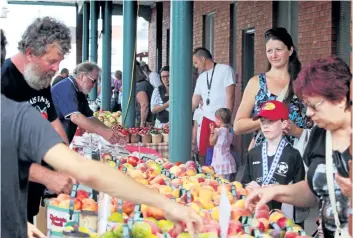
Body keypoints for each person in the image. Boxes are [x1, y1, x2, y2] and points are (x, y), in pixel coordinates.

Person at [1, 94, 202, 238]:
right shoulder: (15, 115)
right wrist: (165, 204)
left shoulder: (16, 115)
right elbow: (87, 171)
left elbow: (86, 170)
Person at [245, 56, 352, 238]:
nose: (309, 113)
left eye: (314, 105)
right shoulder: (319, 135)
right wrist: (275, 191)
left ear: (340, 99)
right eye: (306, 106)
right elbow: (313, 191)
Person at [1, 16, 74, 223]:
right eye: (51, 61)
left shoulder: (39, 78)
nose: (56, 68)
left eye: (59, 62)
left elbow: (53, 124)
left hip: (29, 194)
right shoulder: (4, 82)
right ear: (31, 53)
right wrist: (47, 176)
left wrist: (69, 164)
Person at [234, 27, 312, 149]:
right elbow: (238, 126)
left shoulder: (303, 82)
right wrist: (266, 120)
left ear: (290, 50)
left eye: (278, 50)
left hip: (297, 156)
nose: (273, 55)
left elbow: (318, 126)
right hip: (264, 157)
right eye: (269, 51)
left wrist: (296, 131)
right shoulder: (256, 83)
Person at [241, 100, 305, 211]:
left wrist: (279, 190)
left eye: (271, 121)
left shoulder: (293, 154)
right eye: (262, 121)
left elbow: (302, 191)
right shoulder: (253, 153)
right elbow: (244, 183)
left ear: (284, 124)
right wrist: (248, 187)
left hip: (285, 215)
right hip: (256, 211)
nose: (265, 126)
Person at [51, 61, 122, 144]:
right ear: (82, 76)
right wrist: (103, 132)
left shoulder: (78, 91)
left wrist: (109, 132)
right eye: (93, 81)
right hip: (51, 141)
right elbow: (75, 117)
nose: (94, 85)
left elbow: (90, 117)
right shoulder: (66, 88)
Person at [192, 47, 235, 163]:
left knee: (221, 154)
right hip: (205, 118)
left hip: (221, 119)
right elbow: (195, 99)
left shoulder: (225, 69)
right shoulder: (201, 78)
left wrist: (227, 120)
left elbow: (230, 96)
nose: (195, 66)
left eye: (196, 62)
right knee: (203, 154)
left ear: (202, 59)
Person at [209, 108, 236, 181]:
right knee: (227, 182)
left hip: (219, 160)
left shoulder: (218, 131)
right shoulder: (230, 131)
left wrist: (211, 131)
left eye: (216, 119)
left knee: (219, 182)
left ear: (220, 120)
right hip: (228, 160)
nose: (215, 121)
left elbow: (211, 143)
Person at [135, 61, 155, 127]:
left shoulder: (140, 85)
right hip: (149, 120)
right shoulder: (144, 83)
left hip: (146, 122)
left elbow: (144, 105)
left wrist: (142, 123)